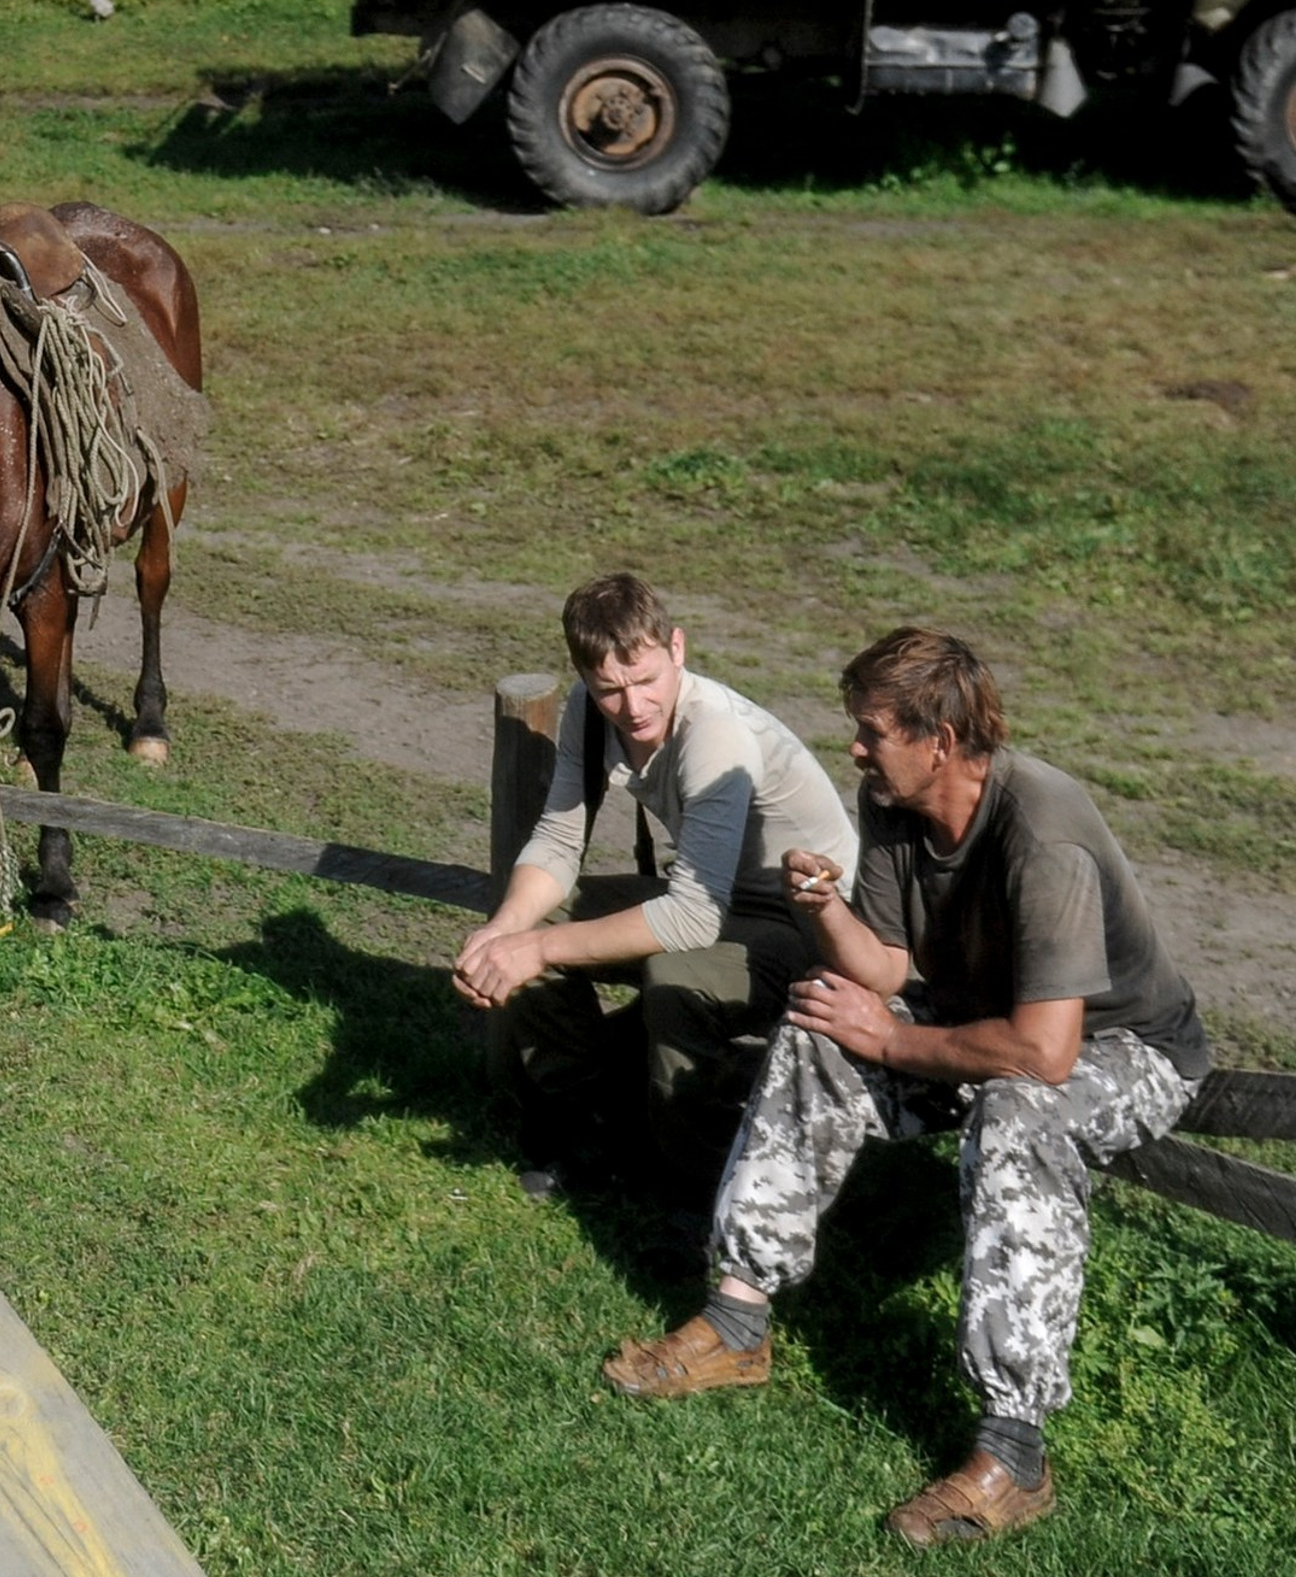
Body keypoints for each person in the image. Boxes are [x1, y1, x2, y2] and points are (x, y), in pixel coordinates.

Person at [603, 626, 1209, 1549]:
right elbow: (883, 972)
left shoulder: (1042, 832)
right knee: (818, 1025)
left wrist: (890, 1037)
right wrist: (827, 914)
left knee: (1018, 1112)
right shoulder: (893, 801)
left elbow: (1045, 1054)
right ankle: (737, 1320)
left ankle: (1014, 1452)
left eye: (871, 731)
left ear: (945, 741)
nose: (853, 747)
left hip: (1122, 1050)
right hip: (980, 1018)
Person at [454, 572, 857, 1220]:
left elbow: (691, 919)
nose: (633, 707)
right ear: (584, 676)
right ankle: (590, 1117)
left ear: (677, 648)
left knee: (675, 971)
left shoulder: (715, 735)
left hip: (806, 932)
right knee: (530, 917)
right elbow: (558, 841)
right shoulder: (592, 715)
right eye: (610, 689)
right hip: (714, 898)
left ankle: (698, 1188)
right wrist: (505, 932)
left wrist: (536, 949)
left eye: (645, 681)